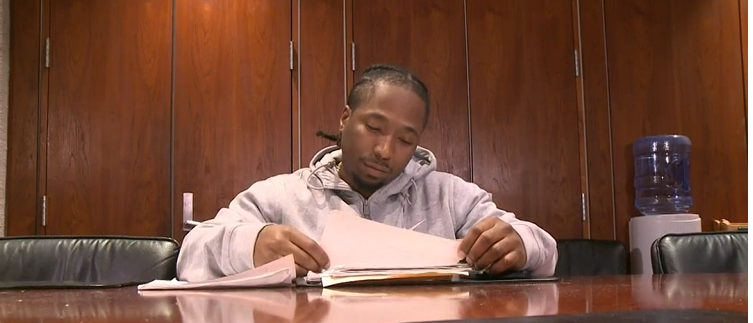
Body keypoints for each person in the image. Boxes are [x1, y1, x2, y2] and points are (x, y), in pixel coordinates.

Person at [176, 64, 558, 282]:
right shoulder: (280, 196)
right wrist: (253, 244)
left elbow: (545, 249)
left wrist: (521, 243)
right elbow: (190, 255)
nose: (385, 150)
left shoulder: (451, 197)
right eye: (374, 128)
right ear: (345, 119)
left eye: (406, 139)